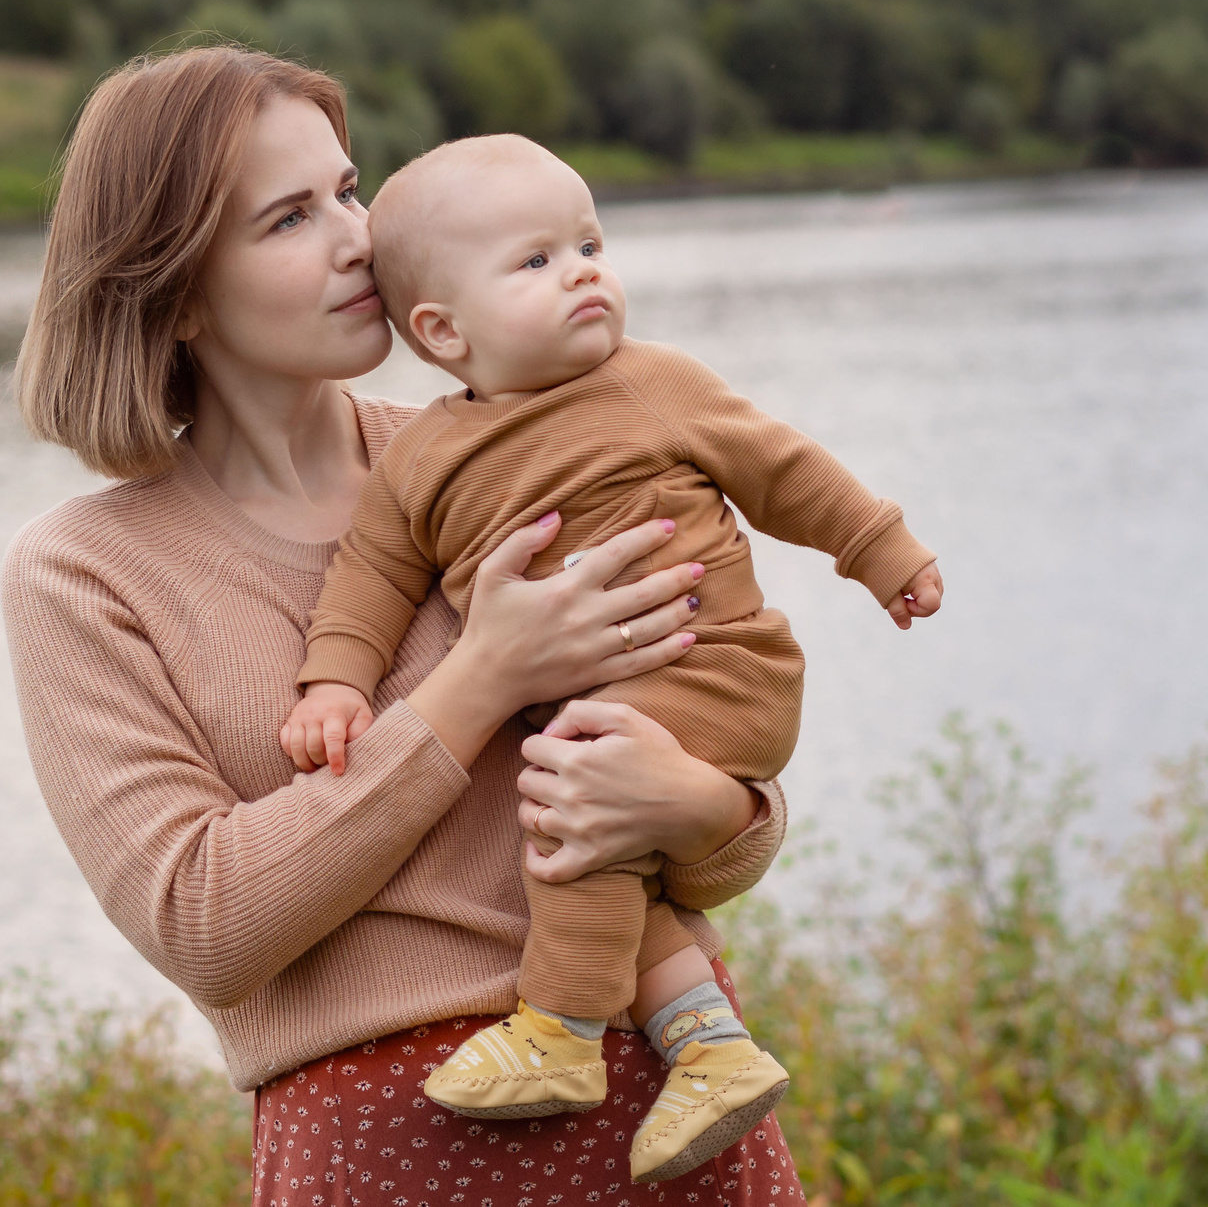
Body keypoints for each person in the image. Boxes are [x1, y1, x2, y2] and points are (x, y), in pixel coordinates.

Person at [2, 47, 807, 1205]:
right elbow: (205, 928)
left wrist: (707, 808)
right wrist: (480, 678)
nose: (355, 238)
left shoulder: (502, 449)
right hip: (390, 1149)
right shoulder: (83, 575)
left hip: (666, 1096)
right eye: (288, 218)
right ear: (175, 293)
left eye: (348, 188)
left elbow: (708, 730)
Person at [280, 134, 942, 1184]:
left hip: (714, 662)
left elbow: (783, 468)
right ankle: (709, 1050)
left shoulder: (654, 383)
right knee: (593, 816)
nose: (584, 269)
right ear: (442, 330)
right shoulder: (420, 458)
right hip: (614, 703)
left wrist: (877, 548)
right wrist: (334, 681)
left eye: (589, 242)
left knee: (572, 799)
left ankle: (559, 1029)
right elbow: (369, 575)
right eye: (536, 262)